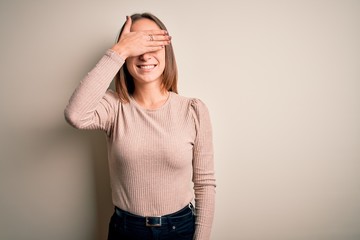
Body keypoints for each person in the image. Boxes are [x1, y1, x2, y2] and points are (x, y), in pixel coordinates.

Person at [64, 12, 216, 240]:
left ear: (167, 51)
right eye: (137, 45)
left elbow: (205, 184)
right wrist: (119, 51)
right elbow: (75, 115)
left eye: (153, 43)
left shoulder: (193, 110)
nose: (145, 55)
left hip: (180, 229)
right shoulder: (114, 107)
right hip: (126, 230)